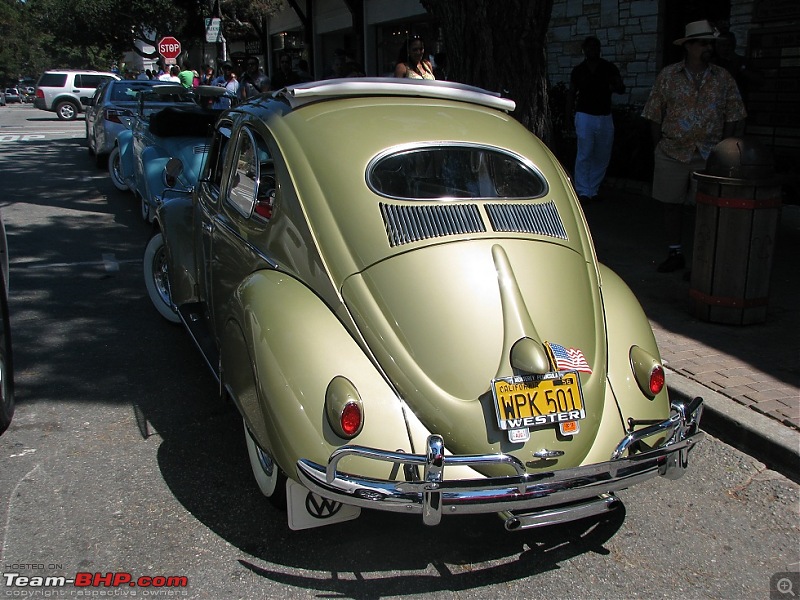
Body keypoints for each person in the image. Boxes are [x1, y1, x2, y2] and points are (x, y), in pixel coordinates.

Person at [642, 20, 746, 273]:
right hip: (671, 152)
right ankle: (675, 252)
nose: (708, 47)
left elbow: (735, 116)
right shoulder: (668, 76)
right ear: (688, 46)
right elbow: (654, 114)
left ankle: (703, 259)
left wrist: (727, 152)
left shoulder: (723, 78)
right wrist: (660, 147)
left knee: (707, 208)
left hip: (710, 155)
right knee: (671, 204)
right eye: (702, 43)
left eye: (711, 43)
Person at [565, 36, 625, 204]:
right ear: (584, 50)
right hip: (584, 116)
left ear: (599, 49)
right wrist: (567, 117)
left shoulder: (608, 68)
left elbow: (621, 88)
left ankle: (593, 189)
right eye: (589, 48)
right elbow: (571, 93)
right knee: (584, 153)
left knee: (601, 154)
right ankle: (583, 190)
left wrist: (615, 86)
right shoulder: (579, 70)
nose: (593, 50)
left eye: (596, 47)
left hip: (604, 116)